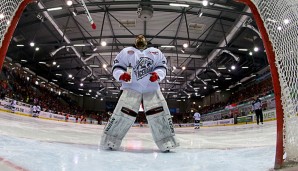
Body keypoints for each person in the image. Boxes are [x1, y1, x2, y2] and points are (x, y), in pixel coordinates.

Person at [100, 34, 179, 152]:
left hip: (151, 89)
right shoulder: (126, 52)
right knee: (122, 116)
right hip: (131, 88)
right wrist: (121, 75)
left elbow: (162, 67)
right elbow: (117, 67)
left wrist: (158, 75)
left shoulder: (155, 52)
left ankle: (167, 142)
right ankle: (110, 140)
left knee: (159, 115)